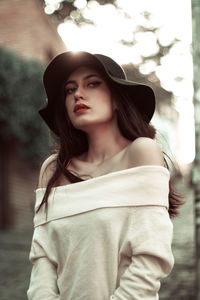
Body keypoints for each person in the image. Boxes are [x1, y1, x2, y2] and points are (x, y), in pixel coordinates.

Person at [27, 51, 183, 300]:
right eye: (69, 90)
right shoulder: (52, 170)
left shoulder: (141, 152)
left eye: (92, 83)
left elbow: (150, 260)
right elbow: (43, 260)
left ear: (118, 99)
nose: (78, 94)